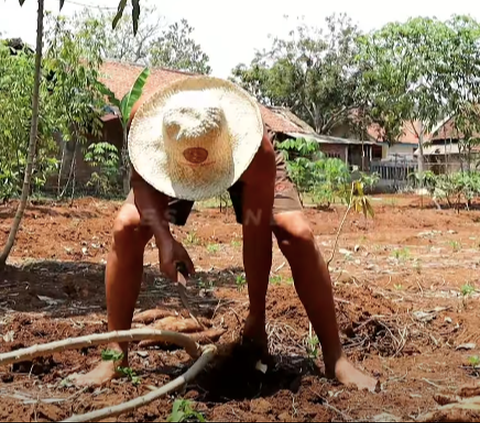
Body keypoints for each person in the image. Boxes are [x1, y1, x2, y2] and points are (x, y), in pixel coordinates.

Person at [74, 76, 379, 392]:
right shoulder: (148, 122)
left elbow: (255, 229)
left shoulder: (255, 148)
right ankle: (115, 355)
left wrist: (257, 319)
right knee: (127, 226)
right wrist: (165, 241)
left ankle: (336, 359)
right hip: (174, 158)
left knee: (296, 234)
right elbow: (141, 182)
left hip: (238, 158)